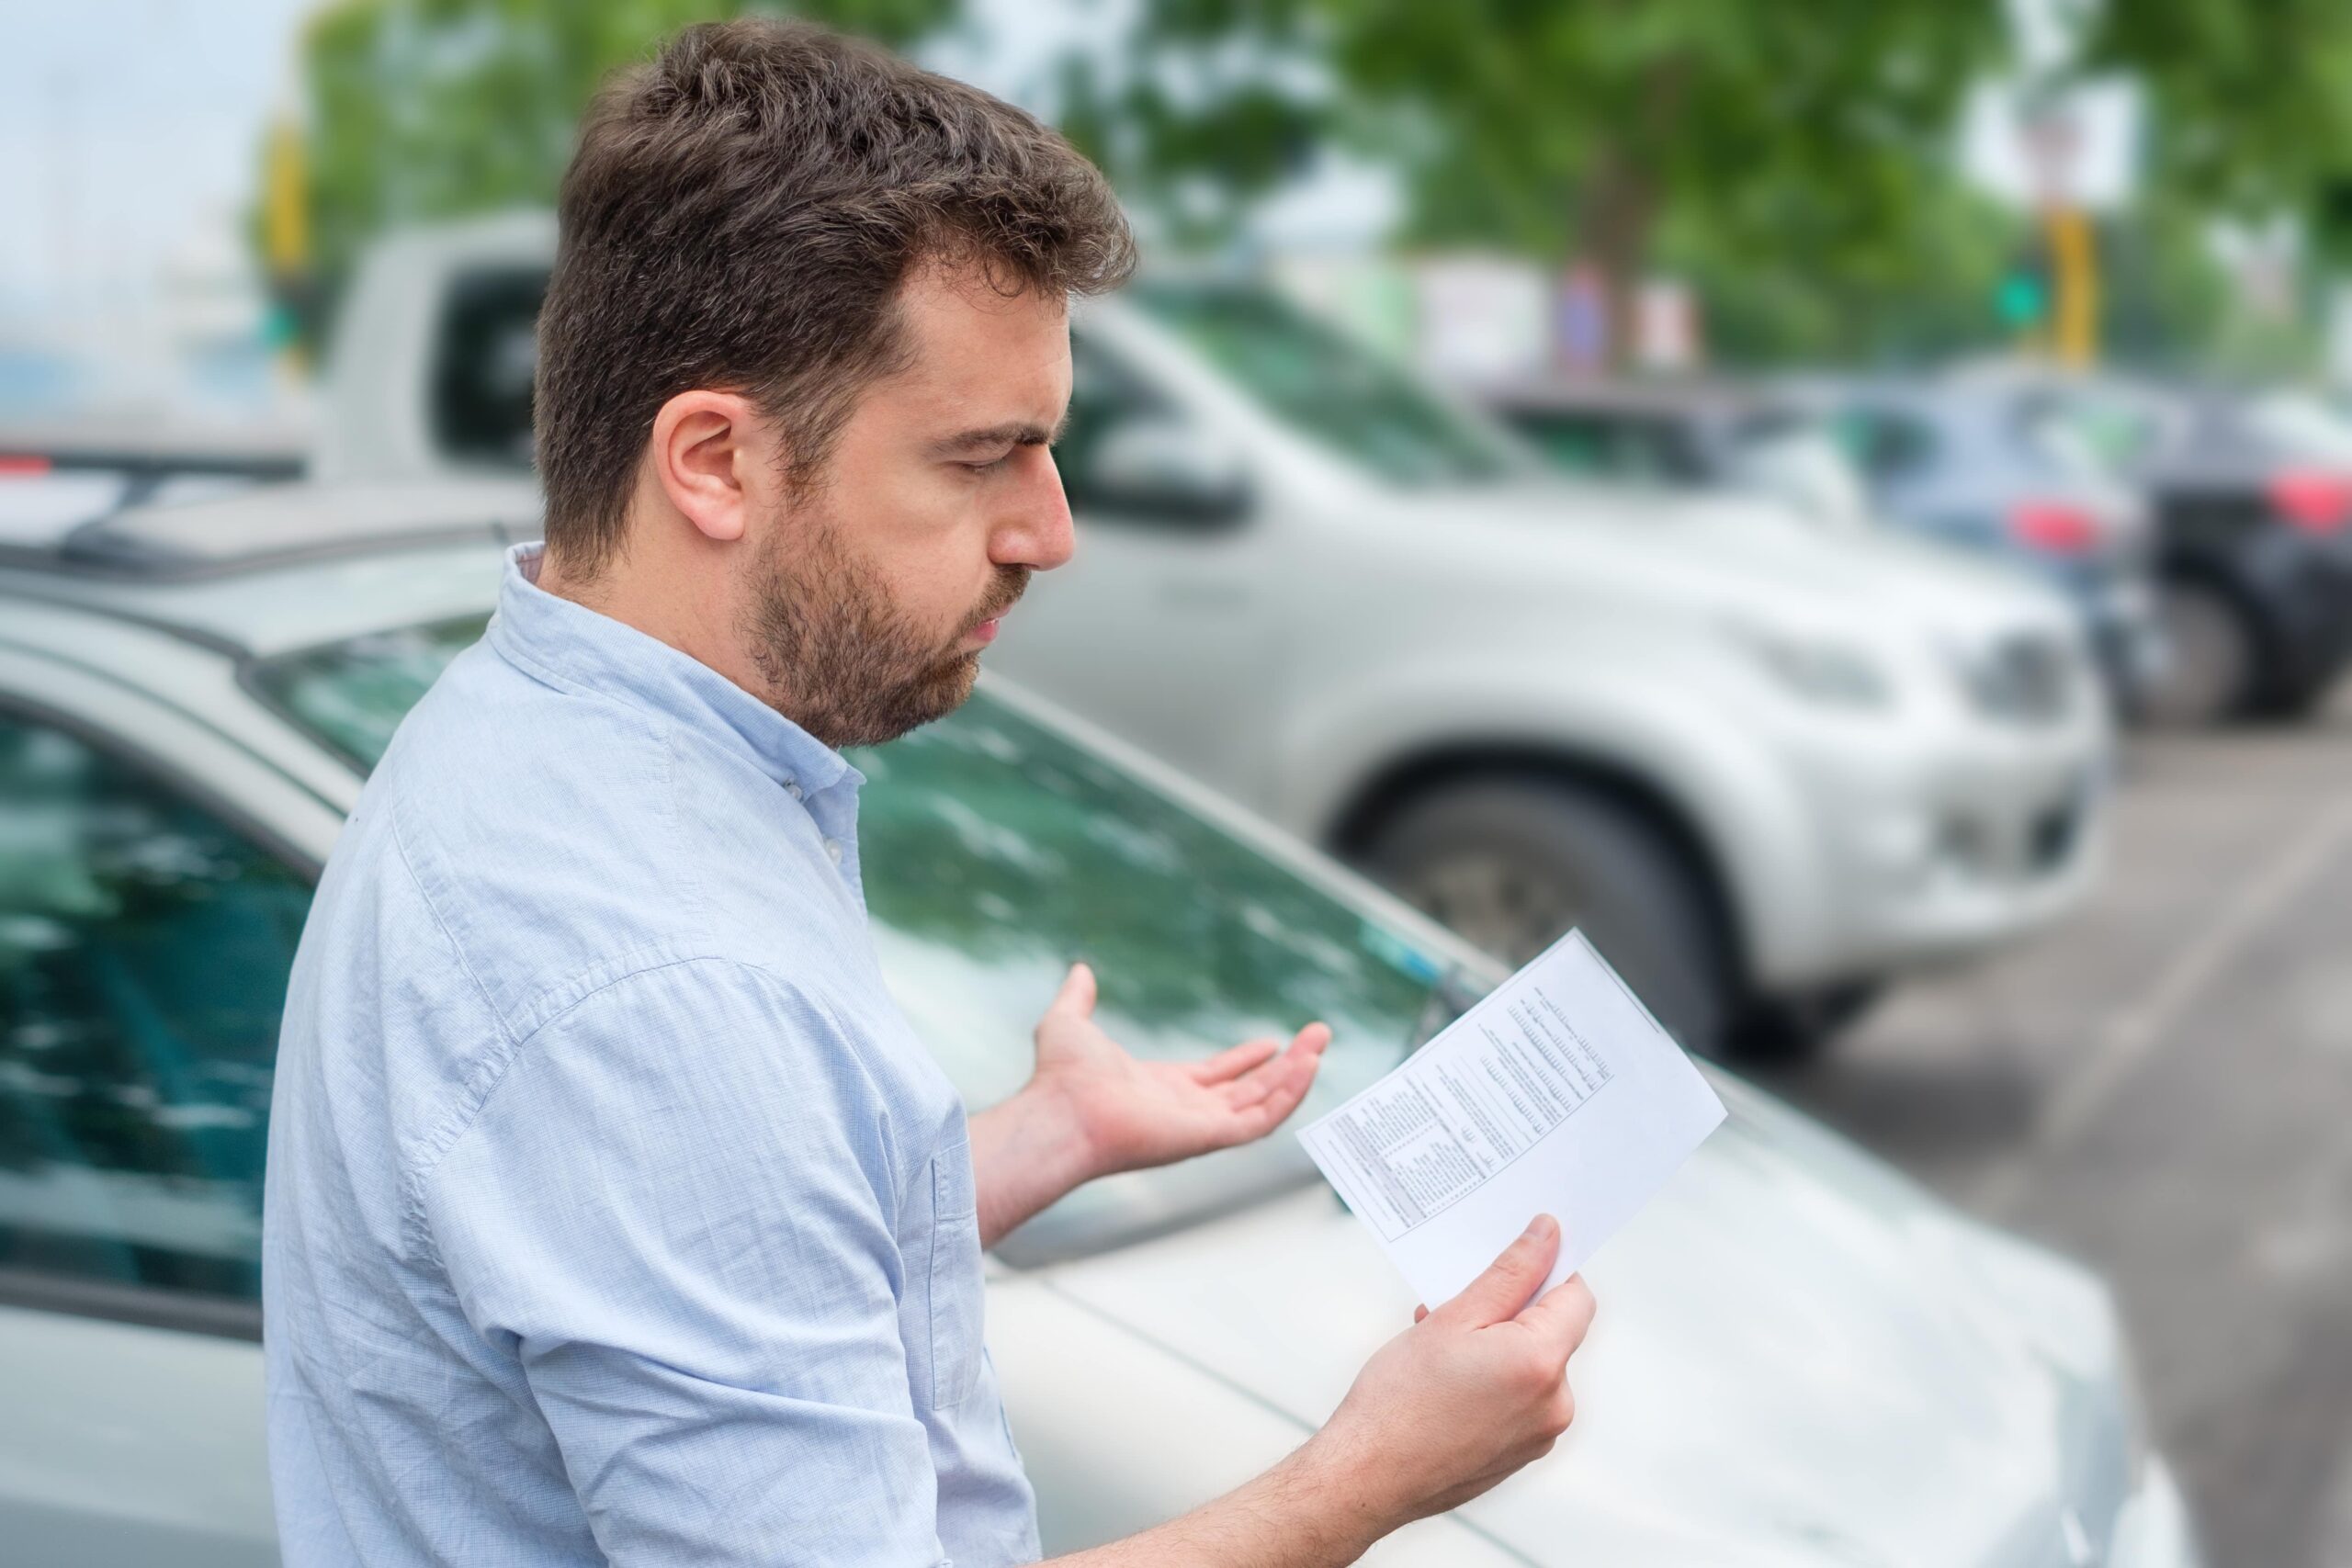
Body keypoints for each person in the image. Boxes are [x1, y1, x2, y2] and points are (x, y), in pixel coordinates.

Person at [261, 18, 1595, 1567]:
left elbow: (668, 1265)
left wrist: (1033, 1141)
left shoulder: (536, 728)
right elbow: (686, 1120)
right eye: (983, 460)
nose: (1052, 529)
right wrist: (1362, 1479)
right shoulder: (660, 993)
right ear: (713, 461)